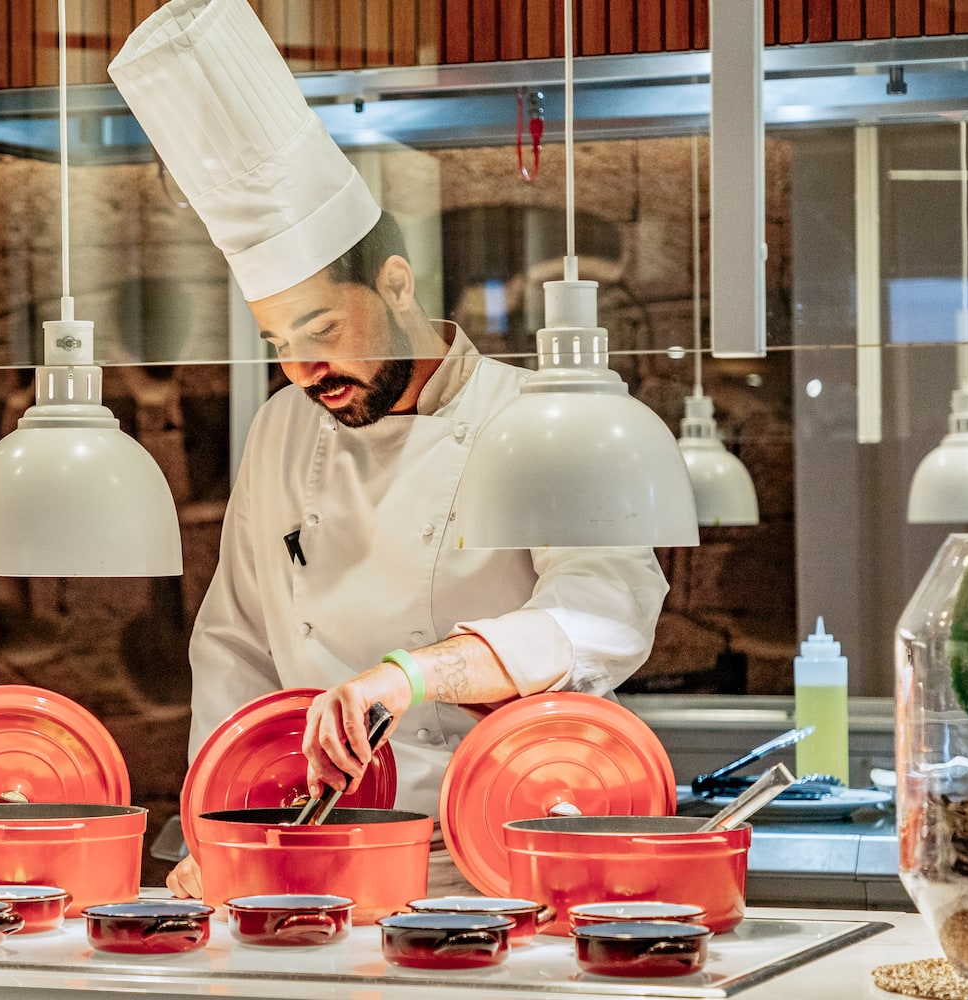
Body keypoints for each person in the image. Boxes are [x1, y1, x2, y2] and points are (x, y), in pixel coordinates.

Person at [107, 0, 668, 898]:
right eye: (277, 344)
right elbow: (236, 648)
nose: (303, 369)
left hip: (493, 859)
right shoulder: (281, 428)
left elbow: (606, 611)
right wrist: (219, 831)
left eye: (321, 328)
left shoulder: (542, 417)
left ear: (397, 284)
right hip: (315, 854)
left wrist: (416, 673)